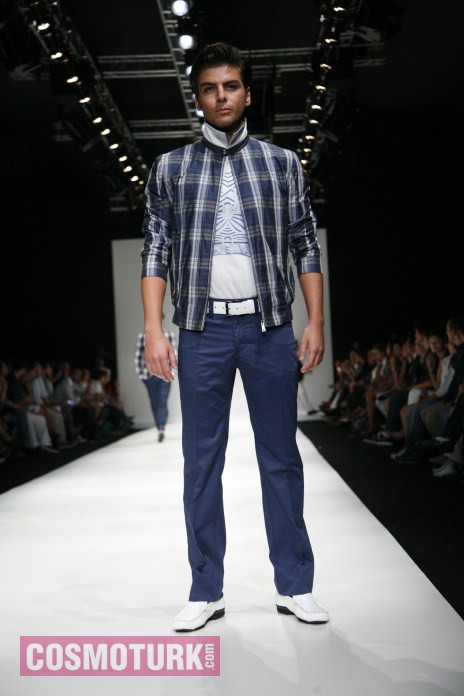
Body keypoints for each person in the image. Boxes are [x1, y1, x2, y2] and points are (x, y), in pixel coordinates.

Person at [140, 42, 328, 632]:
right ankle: (205, 589)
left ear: (247, 93)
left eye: (230, 86)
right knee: (201, 463)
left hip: (269, 327)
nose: (220, 96)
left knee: (281, 459)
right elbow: (156, 249)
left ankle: (295, 584)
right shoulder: (171, 168)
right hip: (202, 330)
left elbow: (305, 243)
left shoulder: (282, 163)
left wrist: (316, 321)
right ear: (197, 97)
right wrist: (154, 328)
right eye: (209, 88)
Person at [135, 324, 177, 441]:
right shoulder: (143, 336)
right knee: (154, 402)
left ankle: (161, 428)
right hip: (149, 375)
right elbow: (138, 355)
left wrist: (172, 372)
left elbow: (174, 353)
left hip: (165, 373)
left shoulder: (170, 335)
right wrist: (141, 374)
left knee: (162, 400)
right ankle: (159, 426)